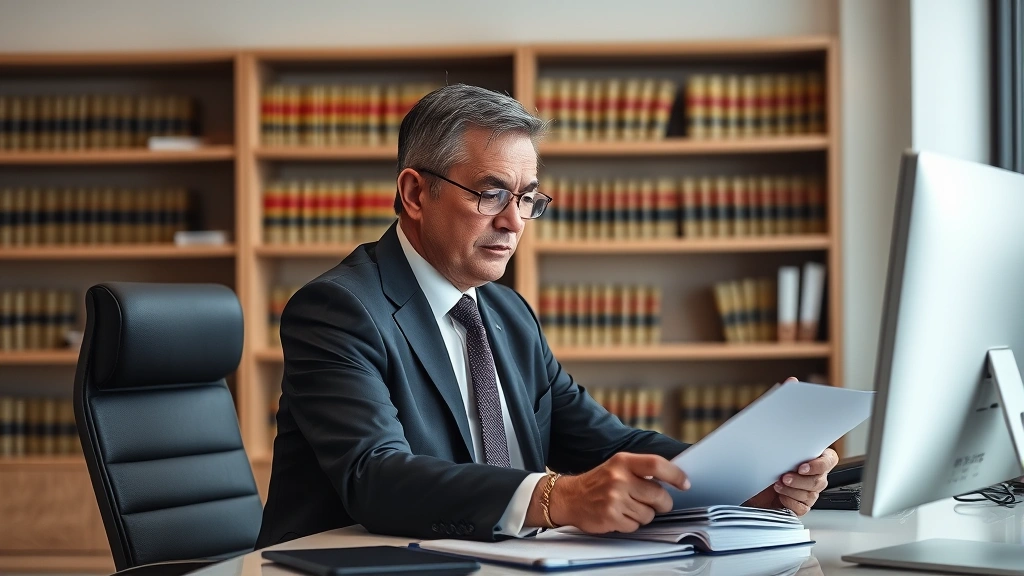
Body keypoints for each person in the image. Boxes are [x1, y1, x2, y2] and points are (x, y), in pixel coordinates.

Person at [255, 84, 837, 547]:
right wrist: (559, 497)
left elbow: (605, 441)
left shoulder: (507, 314)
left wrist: (743, 481)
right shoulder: (338, 309)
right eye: (489, 194)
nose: (513, 222)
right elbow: (374, 477)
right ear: (414, 194)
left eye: (527, 197)